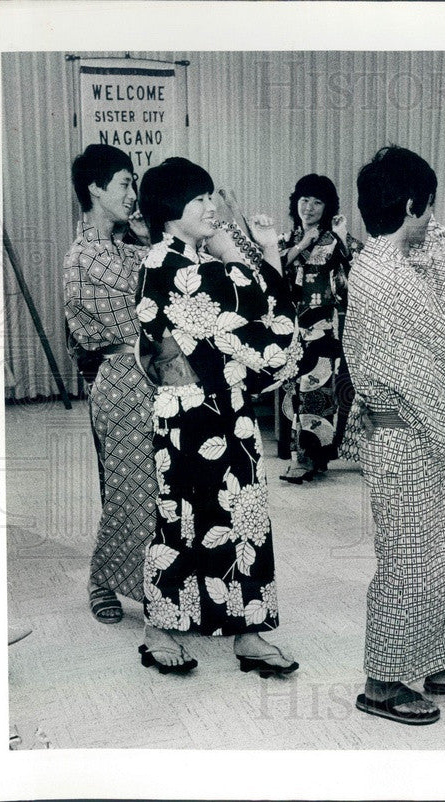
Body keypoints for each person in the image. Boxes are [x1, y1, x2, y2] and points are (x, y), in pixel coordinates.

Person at [342, 145, 445, 726]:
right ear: (412, 205)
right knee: (407, 560)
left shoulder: (386, 260)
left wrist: (432, 239)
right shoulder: (387, 274)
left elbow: (444, 283)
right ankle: (383, 682)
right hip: (401, 435)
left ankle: (441, 661)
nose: (433, 220)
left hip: (417, 435)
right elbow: (444, 334)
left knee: (442, 556)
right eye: (428, 208)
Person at [134, 157, 303, 675]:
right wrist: (243, 254)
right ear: (168, 210)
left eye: (211, 196)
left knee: (242, 515)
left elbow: (263, 319)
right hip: (189, 415)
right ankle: (160, 626)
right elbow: (271, 334)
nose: (213, 207)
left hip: (226, 406)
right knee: (183, 519)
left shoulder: (201, 264)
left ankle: (248, 630)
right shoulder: (170, 267)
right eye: (200, 198)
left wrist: (256, 256)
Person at [64, 143, 156, 624]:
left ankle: (150, 582)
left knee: (152, 489)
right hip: (121, 382)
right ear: (95, 189)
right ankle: (102, 581)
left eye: (133, 182)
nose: (132, 192)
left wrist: (145, 240)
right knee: (127, 491)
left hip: (149, 380)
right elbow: (157, 280)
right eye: (124, 183)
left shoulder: (122, 246)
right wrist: (154, 241)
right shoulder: (87, 254)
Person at [276, 174, 362, 484]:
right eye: (304, 200)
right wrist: (302, 244)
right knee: (293, 393)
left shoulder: (337, 238)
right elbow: (272, 272)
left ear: (327, 207)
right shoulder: (286, 240)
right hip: (290, 326)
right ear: (294, 202)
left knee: (316, 392)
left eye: (317, 201)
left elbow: (357, 269)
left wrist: (339, 238)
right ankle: (306, 457)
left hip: (323, 324)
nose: (309, 207)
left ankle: (308, 459)